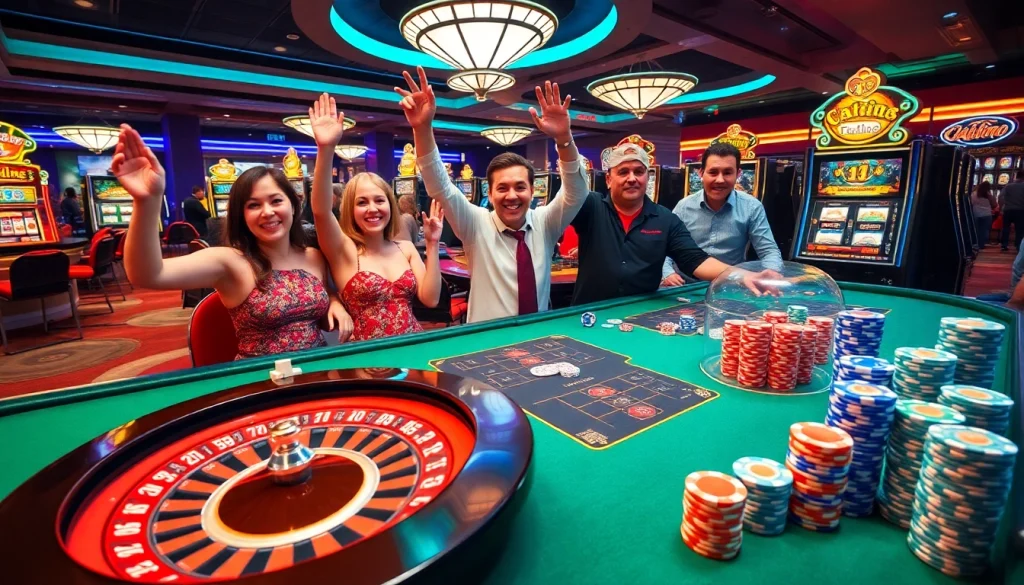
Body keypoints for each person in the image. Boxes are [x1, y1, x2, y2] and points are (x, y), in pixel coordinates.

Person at [115, 124, 352, 358]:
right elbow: (147, 274)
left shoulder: (313, 255)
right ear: (241, 215)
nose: (267, 212)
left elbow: (327, 292)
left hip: (318, 372)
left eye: (276, 201)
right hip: (262, 382)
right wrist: (146, 201)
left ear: (293, 205)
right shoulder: (229, 262)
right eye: (253, 205)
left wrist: (334, 302)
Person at [396, 66, 588, 323]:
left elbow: (577, 192)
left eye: (520, 187)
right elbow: (439, 185)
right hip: (486, 345)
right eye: (502, 188)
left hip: (538, 337)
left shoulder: (545, 222)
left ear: (532, 190)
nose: (512, 195)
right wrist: (422, 129)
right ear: (489, 192)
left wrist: (564, 139)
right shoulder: (475, 223)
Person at [571, 143, 778, 306]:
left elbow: (695, 260)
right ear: (608, 179)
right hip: (589, 311)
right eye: (623, 172)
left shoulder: (665, 218)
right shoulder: (591, 205)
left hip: (639, 312)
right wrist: (564, 142)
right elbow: (570, 192)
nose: (632, 178)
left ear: (647, 177)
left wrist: (742, 276)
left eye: (639, 171)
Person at [308, 92, 444, 341]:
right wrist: (326, 148)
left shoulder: (405, 248)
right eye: (362, 202)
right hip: (367, 356)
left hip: (412, 344)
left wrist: (433, 243)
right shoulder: (344, 251)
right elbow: (320, 210)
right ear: (350, 210)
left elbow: (431, 298)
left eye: (380, 200)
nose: (372, 208)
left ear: (390, 205)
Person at [661, 143, 783, 286]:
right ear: (701, 173)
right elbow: (664, 248)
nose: (720, 180)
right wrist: (667, 273)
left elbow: (768, 250)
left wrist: (772, 272)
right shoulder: (684, 206)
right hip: (685, 284)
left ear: (738, 174)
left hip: (729, 284)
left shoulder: (751, 207)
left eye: (727, 172)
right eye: (713, 172)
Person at [1000, 170, 1024, 251]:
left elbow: (1000, 197)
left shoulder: (1008, 186)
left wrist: (1001, 208)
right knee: (1019, 229)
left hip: (1008, 209)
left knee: (1006, 228)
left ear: (1016, 176)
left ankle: (1004, 245)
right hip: (1020, 210)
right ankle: (1018, 245)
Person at [971, 181, 998, 250]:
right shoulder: (989, 195)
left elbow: (971, 203)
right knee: (985, 230)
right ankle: (982, 244)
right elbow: (994, 204)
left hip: (976, 214)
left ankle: (976, 244)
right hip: (987, 214)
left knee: (976, 230)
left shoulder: (974, 194)